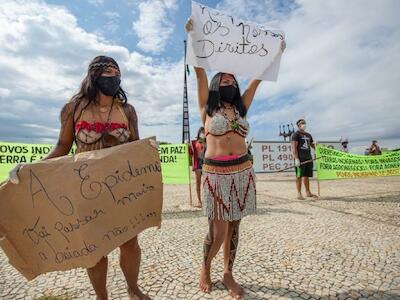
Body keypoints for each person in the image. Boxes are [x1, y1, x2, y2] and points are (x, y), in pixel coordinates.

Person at [8, 56, 151, 300]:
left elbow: (136, 150)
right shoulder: (73, 108)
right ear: (93, 76)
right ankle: (101, 296)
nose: (113, 76)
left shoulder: (127, 111)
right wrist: (31, 168)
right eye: (107, 72)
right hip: (86, 192)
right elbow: (62, 147)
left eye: (116, 72)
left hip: (123, 191)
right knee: (94, 249)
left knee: (129, 244)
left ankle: (133, 289)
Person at [186, 18, 285, 299]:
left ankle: (228, 272)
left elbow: (259, 78)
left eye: (233, 80)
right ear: (218, 85)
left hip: (242, 172)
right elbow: (199, 73)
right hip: (215, 174)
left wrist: (276, 52)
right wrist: (194, 36)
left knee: (234, 227)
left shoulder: (242, 107)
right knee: (217, 231)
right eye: (225, 80)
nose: (230, 82)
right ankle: (205, 267)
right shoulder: (207, 107)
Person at [291, 119, 317, 200]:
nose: (303, 124)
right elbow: (293, 147)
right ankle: (299, 193)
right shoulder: (296, 135)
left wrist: (317, 146)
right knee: (299, 176)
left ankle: (308, 192)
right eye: (302, 123)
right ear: (298, 125)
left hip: (308, 158)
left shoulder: (309, 135)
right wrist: (296, 159)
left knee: (306, 176)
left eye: (304, 123)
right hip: (300, 159)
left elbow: (313, 145)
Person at [190, 127, 206, 208]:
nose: (203, 133)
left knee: (207, 182)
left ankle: (207, 200)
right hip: (198, 163)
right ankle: (199, 201)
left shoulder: (208, 141)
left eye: (204, 132)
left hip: (206, 163)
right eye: (202, 132)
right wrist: (187, 146)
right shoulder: (194, 142)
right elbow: (190, 152)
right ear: (199, 132)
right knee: (198, 182)